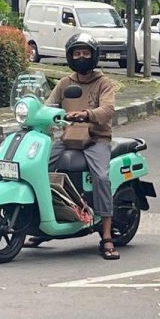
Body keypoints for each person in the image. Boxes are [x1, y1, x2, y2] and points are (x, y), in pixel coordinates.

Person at [27, 34, 120, 259]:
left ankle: (106, 236)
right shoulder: (65, 83)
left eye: (85, 53)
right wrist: (36, 115)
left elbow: (108, 109)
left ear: (93, 56)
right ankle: (46, 221)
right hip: (69, 138)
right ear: (70, 56)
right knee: (38, 167)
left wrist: (87, 114)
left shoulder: (103, 83)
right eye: (76, 53)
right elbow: (48, 107)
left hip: (97, 140)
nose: (81, 57)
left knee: (101, 177)